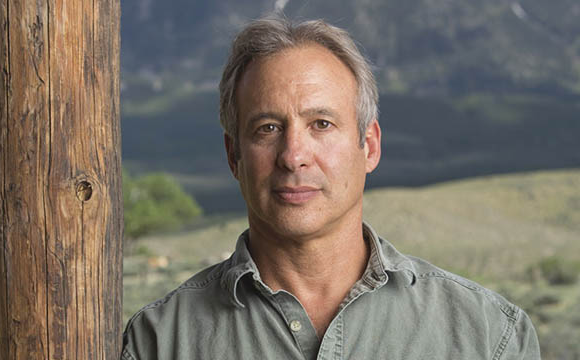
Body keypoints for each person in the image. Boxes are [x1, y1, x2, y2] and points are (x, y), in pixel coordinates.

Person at [121, 17, 540, 359]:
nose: (293, 155)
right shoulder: (159, 342)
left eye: (321, 124)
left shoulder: (489, 337)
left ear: (370, 146)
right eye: (268, 128)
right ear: (234, 156)